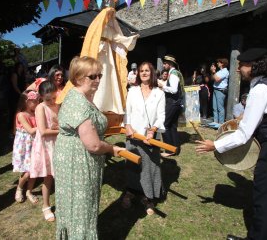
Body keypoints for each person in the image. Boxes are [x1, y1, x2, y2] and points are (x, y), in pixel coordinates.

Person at [196, 48, 267, 240]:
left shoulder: (260, 90)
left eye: (242, 65)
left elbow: (244, 135)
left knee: (264, 201)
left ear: (253, 66)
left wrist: (216, 145)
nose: (238, 70)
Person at [54, 56, 125, 238]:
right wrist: (112, 149)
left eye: (99, 75)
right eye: (92, 76)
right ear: (78, 77)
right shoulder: (79, 102)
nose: (98, 80)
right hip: (77, 161)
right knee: (81, 204)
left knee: (76, 203)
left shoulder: (79, 96)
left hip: (74, 156)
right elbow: (93, 145)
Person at [122, 62, 166, 215]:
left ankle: (148, 198)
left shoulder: (159, 93)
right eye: (141, 71)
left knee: (150, 168)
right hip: (133, 135)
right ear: (138, 74)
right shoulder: (132, 91)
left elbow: (161, 117)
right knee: (132, 166)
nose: (144, 73)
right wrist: (127, 125)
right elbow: (127, 110)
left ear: (152, 73)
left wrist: (153, 130)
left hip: (150, 137)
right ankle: (130, 192)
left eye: (147, 70)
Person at [30, 81, 59, 222]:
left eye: (54, 97)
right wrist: (62, 130)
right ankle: (46, 206)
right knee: (48, 177)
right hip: (46, 146)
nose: (52, 101)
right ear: (41, 97)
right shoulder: (40, 108)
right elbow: (43, 131)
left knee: (61, 175)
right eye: (48, 99)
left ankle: (64, 202)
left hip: (58, 143)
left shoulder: (57, 105)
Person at [12, 90, 39, 204]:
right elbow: (31, 130)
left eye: (38, 100)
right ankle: (20, 188)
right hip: (25, 147)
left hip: (36, 144)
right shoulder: (21, 115)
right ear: (26, 102)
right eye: (34, 101)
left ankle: (29, 191)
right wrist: (44, 125)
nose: (37, 102)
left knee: (35, 170)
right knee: (27, 172)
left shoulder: (35, 113)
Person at [158, 55, 184, 155]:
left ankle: (169, 149)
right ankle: (175, 149)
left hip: (173, 103)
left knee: (165, 125)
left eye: (165, 63)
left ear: (170, 64)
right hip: (176, 103)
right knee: (172, 126)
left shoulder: (173, 74)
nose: (164, 65)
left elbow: (173, 90)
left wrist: (162, 86)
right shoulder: (174, 73)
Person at [210, 58, 229, 125]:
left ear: (222, 63)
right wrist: (213, 72)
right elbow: (212, 78)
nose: (217, 63)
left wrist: (214, 72)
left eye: (218, 62)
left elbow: (217, 79)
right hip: (215, 89)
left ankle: (221, 123)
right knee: (214, 107)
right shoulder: (219, 71)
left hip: (220, 91)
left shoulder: (225, 71)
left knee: (220, 108)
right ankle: (215, 121)